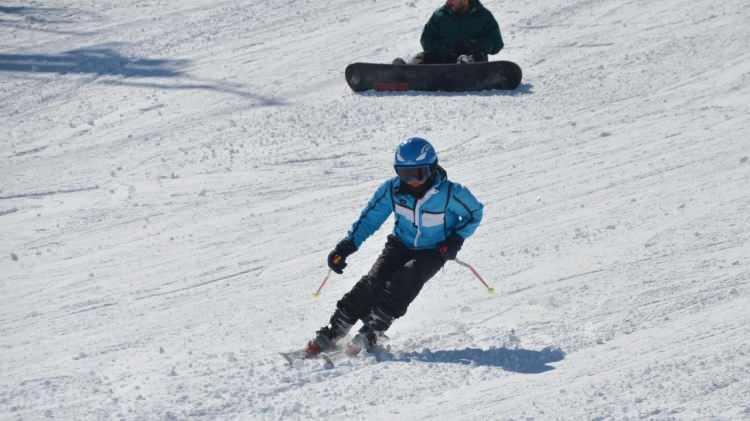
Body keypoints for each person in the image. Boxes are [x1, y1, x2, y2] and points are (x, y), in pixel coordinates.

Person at [305, 137, 484, 356]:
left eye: (418, 173)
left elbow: (474, 213)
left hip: (435, 250)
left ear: (432, 168)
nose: (412, 180)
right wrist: (347, 246)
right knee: (373, 281)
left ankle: (373, 329)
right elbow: (370, 218)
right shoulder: (393, 190)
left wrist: (455, 240)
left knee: (407, 279)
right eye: (405, 174)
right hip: (400, 244)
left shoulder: (450, 193)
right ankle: (335, 330)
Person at [393, 0, 504, 65]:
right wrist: (444, 48)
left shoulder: (483, 15)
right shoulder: (440, 15)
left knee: (474, 58)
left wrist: (475, 45)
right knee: (423, 56)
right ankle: (405, 70)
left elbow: (497, 43)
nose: (449, 2)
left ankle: (466, 64)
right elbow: (426, 40)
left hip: (472, 60)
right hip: (443, 59)